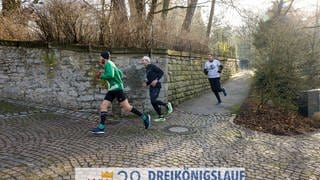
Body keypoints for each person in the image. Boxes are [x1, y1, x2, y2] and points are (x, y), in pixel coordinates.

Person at [90, 51, 151, 134]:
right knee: (103, 106)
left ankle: (145, 117)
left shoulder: (108, 64)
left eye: (100, 57)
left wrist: (101, 76)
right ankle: (101, 127)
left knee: (127, 107)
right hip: (112, 89)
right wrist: (114, 79)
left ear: (104, 58)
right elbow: (120, 74)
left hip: (117, 89)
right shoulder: (111, 64)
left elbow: (111, 75)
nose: (100, 59)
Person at [141, 56, 173, 122]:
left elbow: (161, 72)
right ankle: (161, 116)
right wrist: (146, 84)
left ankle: (166, 105)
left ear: (147, 61)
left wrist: (156, 80)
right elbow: (151, 79)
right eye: (142, 60)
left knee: (153, 100)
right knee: (153, 102)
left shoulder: (152, 66)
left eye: (143, 60)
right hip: (152, 87)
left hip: (157, 86)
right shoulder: (147, 69)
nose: (142, 62)